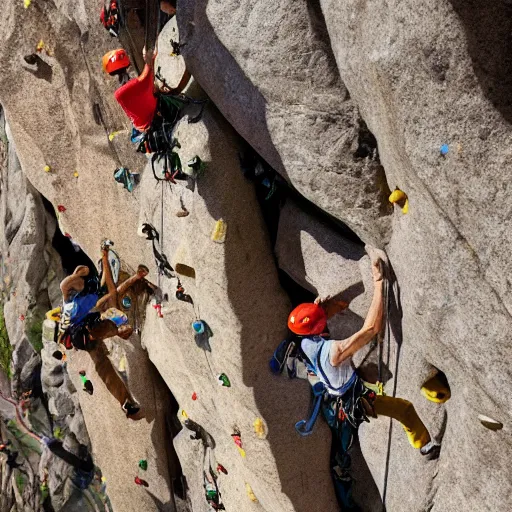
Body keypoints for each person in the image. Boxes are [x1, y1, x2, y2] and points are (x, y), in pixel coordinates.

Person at [272, 251, 438, 510]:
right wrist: (378, 285)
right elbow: (371, 329)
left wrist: (322, 309)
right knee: (403, 409)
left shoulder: (305, 342)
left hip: (335, 394)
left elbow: (317, 326)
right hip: (352, 399)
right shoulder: (334, 353)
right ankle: (425, 445)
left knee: (344, 446)